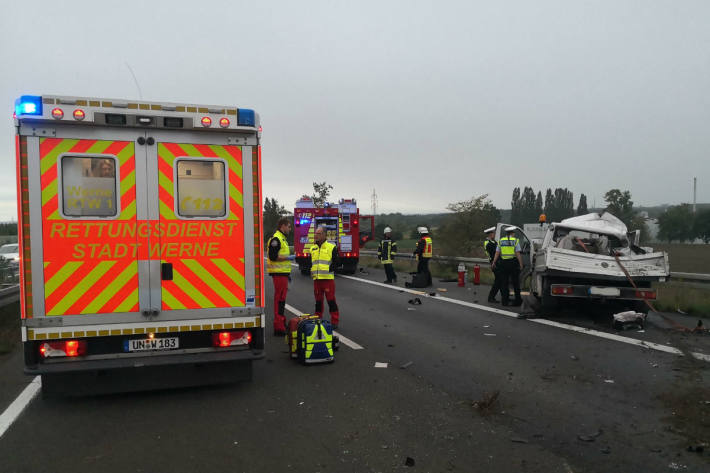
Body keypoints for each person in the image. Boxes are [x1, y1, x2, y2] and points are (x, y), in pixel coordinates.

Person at [267, 217, 295, 335]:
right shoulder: (276, 239)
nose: (290, 229)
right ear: (283, 226)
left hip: (282, 274)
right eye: (289, 226)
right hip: (278, 273)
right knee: (279, 299)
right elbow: (273, 257)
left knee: (281, 299)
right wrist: (288, 258)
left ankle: (281, 322)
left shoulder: (282, 239)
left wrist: (287, 273)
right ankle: (278, 325)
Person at [310, 225, 340, 328]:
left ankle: (335, 320)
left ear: (324, 235)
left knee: (331, 301)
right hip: (317, 280)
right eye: (316, 233)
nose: (316, 235)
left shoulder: (331, 247)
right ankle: (318, 318)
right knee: (318, 301)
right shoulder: (312, 248)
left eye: (318, 233)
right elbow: (312, 262)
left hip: (327, 280)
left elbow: (337, 262)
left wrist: (330, 269)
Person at [491, 226, 523, 306]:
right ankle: (518, 301)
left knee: (504, 283)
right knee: (515, 283)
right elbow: (517, 253)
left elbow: (497, 253)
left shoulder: (501, 240)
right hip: (513, 263)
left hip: (503, 264)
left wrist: (494, 262)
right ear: (512, 233)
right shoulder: (515, 241)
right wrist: (521, 264)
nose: (514, 234)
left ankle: (504, 301)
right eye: (514, 233)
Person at [483, 226, 501, 303]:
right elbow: (494, 253)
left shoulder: (494, 242)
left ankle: (504, 297)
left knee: (501, 280)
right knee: (498, 280)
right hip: (494, 263)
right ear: (490, 234)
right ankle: (491, 297)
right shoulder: (488, 243)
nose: (494, 234)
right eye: (493, 233)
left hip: (498, 262)